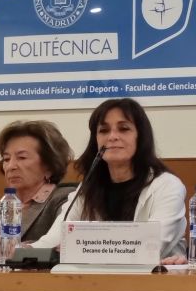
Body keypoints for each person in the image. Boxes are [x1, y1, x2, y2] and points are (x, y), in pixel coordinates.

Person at [31, 98, 187, 261]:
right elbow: (56, 237)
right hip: (96, 282)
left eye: (123, 129)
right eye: (104, 130)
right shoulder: (88, 188)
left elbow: (152, 247)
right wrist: (23, 251)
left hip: (154, 281)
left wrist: (83, 247)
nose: (112, 137)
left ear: (141, 138)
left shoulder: (167, 186)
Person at [0, 120, 75, 261]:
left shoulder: (65, 201)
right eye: (6, 159)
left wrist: (5, 250)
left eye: (22, 157)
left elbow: (62, 249)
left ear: (49, 166)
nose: (11, 166)